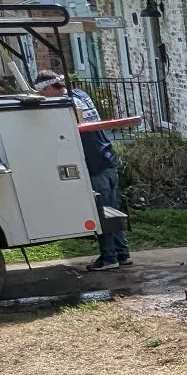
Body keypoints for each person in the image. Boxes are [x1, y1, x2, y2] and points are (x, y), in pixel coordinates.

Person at [36, 71, 127, 270]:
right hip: (107, 158)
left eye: (43, 92)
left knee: (103, 214)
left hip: (95, 165)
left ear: (51, 87)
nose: (43, 97)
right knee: (114, 211)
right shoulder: (80, 95)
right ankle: (123, 254)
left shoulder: (68, 103)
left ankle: (109, 258)